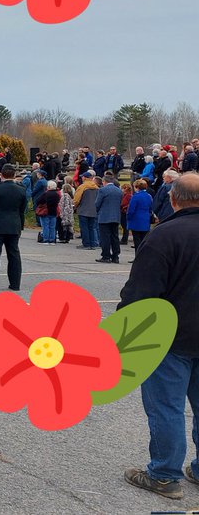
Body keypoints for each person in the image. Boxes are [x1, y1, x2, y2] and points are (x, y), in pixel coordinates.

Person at [119, 173, 199, 499]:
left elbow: (141, 293)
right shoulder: (164, 235)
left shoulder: (164, 236)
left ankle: (164, 474)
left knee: (166, 407)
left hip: (171, 337)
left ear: (173, 198)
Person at [95, 173, 124, 264]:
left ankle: (106, 255)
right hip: (115, 216)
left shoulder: (102, 190)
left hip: (104, 216)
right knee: (114, 236)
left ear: (104, 181)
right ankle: (116, 256)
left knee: (105, 237)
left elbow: (97, 203)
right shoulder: (119, 191)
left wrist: (98, 211)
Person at [74, 171, 100, 250]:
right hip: (94, 210)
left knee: (84, 228)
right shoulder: (96, 187)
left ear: (84, 178)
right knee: (92, 227)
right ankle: (93, 243)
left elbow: (77, 199)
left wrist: (75, 206)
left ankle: (86, 244)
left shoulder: (82, 187)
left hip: (83, 210)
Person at [126, 179, 153, 251]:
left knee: (137, 240)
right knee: (143, 241)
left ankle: (137, 257)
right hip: (146, 219)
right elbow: (150, 208)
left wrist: (128, 217)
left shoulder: (135, 196)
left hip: (136, 220)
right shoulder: (149, 196)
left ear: (137, 187)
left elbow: (131, 209)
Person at [34, 180, 61, 245]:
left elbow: (38, 201)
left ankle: (46, 239)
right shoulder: (57, 194)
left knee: (45, 226)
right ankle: (52, 240)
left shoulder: (45, 194)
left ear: (48, 187)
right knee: (52, 226)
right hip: (54, 211)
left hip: (45, 211)